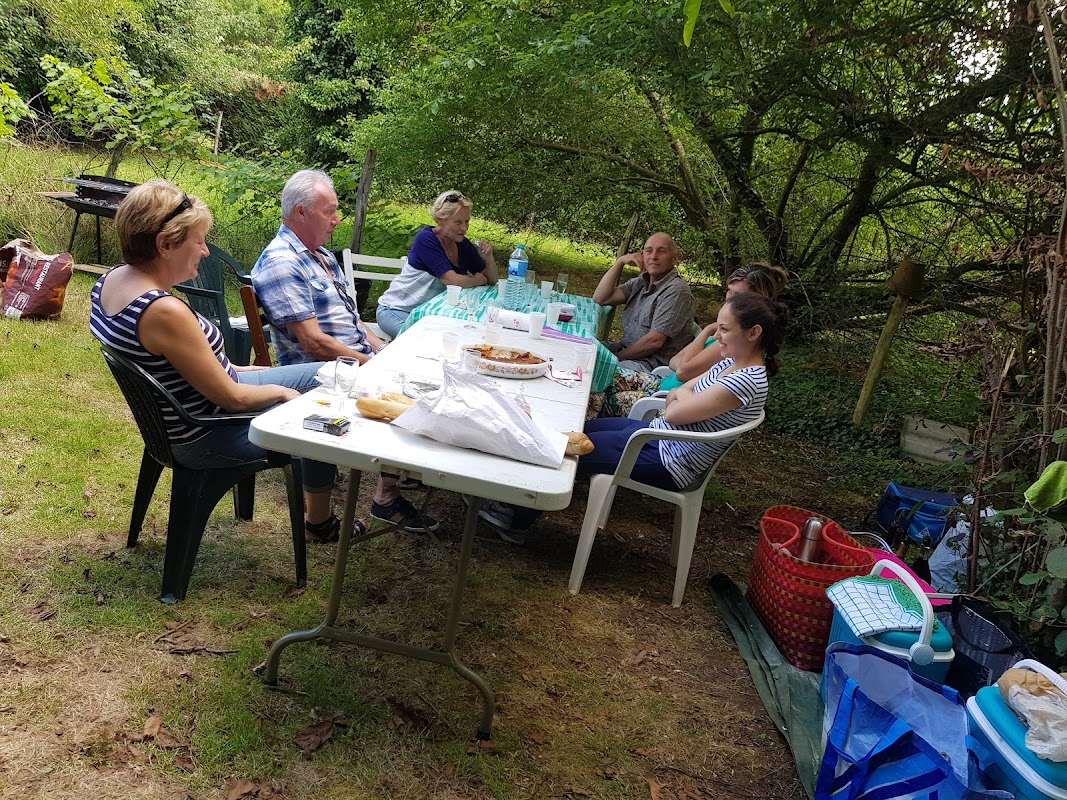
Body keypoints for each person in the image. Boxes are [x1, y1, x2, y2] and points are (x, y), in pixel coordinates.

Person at [88, 178, 355, 544]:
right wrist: (285, 393)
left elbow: (189, 369)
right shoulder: (163, 311)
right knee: (321, 399)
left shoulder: (112, 280)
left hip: (180, 415)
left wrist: (258, 372)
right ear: (166, 245)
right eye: (199, 241)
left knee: (326, 373)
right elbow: (231, 398)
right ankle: (320, 523)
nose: (206, 251)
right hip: (204, 433)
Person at [477, 291, 788, 540]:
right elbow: (681, 389)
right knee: (577, 428)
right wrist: (681, 399)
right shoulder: (732, 361)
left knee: (566, 450)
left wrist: (681, 400)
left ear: (753, 333)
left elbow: (678, 410)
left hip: (669, 458)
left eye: (724, 329)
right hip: (659, 435)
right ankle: (517, 500)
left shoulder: (746, 379)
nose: (717, 336)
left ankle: (514, 519)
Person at [252, 169, 438, 533]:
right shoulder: (281, 262)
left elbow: (352, 322)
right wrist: (372, 365)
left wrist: (382, 348)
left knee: (422, 369)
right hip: (321, 373)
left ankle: (399, 475)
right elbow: (313, 342)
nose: (338, 218)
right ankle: (382, 496)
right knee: (407, 391)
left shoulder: (319, 255)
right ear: (301, 212)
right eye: (329, 211)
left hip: (352, 362)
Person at [376, 190, 498, 339]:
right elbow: (451, 280)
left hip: (430, 314)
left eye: (467, 221)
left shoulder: (462, 244)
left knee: (465, 337)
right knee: (427, 343)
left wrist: (489, 258)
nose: (464, 228)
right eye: (458, 222)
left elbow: (491, 280)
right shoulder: (426, 239)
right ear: (441, 219)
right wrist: (477, 280)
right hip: (396, 310)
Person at [658, 262, 787, 391]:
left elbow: (682, 372)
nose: (729, 299)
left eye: (738, 296)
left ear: (755, 301)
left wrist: (707, 330)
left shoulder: (734, 341)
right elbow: (673, 361)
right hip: (661, 386)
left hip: (661, 398)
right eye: (729, 291)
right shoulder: (726, 333)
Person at [592, 232, 695, 371]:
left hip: (651, 365)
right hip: (627, 349)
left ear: (674, 258)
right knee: (581, 347)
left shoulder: (677, 291)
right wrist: (620, 262)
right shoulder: (642, 281)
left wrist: (615, 357)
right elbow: (600, 298)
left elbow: (654, 342)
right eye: (648, 251)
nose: (653, 256)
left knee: (594, 369)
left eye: (661, 251)